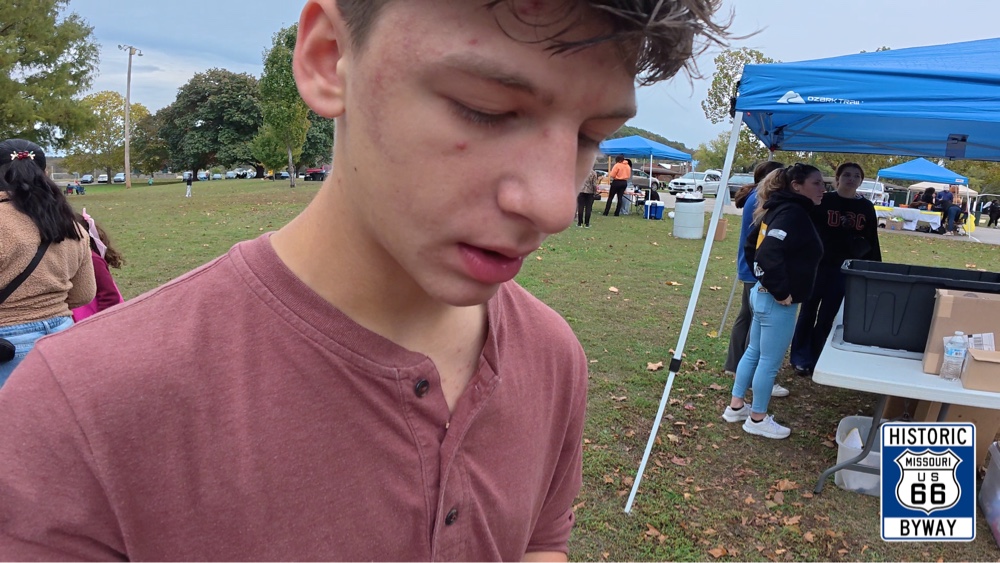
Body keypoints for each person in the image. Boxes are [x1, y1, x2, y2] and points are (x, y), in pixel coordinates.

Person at [0, 1, 729, 560]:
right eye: (488, 108)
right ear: (327, 59)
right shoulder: (78, 413)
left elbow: (540, 542)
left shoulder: (554, 354)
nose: (553, 204)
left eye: (590, 136)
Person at [722, 164, 825, 439]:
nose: (823, 189)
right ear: (797, 186)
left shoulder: (778, 208)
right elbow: (766, 253)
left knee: (754, 352)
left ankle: (736, 407)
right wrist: (779, 290)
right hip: (776, 301)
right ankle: (757, 419)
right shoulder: (793, 213)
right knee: (768, 361)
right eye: (816, 183)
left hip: (763, 295)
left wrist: (764, 281)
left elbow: (751, 245)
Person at [0, 139, 95, 388]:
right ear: (44, 173)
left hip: (8, 343)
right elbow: (84, 294)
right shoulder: (70, 224)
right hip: (63, 337)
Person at [790, 163, 881, 376]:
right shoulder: (823, 200)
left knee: (827, 316)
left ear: (861, 181)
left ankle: (817, 356)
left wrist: (873, 266)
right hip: (818, 266)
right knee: (808, 312)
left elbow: (871, 238)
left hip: (844, 269)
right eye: (847, 174)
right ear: (837, 178)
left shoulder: (866, 207)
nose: (851, 179)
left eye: (856, 176)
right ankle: (800, 357)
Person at [724, 161, 787, 400]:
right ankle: (750, 376)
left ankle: (734, 365)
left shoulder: (754, 196)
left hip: (750, 266)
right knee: (756, 322)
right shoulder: (760, 199)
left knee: (746, 316)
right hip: (757, 268)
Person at [71, 209, 124, 322]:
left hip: (95, 318)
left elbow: (110, 295)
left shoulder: (93, 260)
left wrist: (100, 322)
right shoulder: (69, 258)